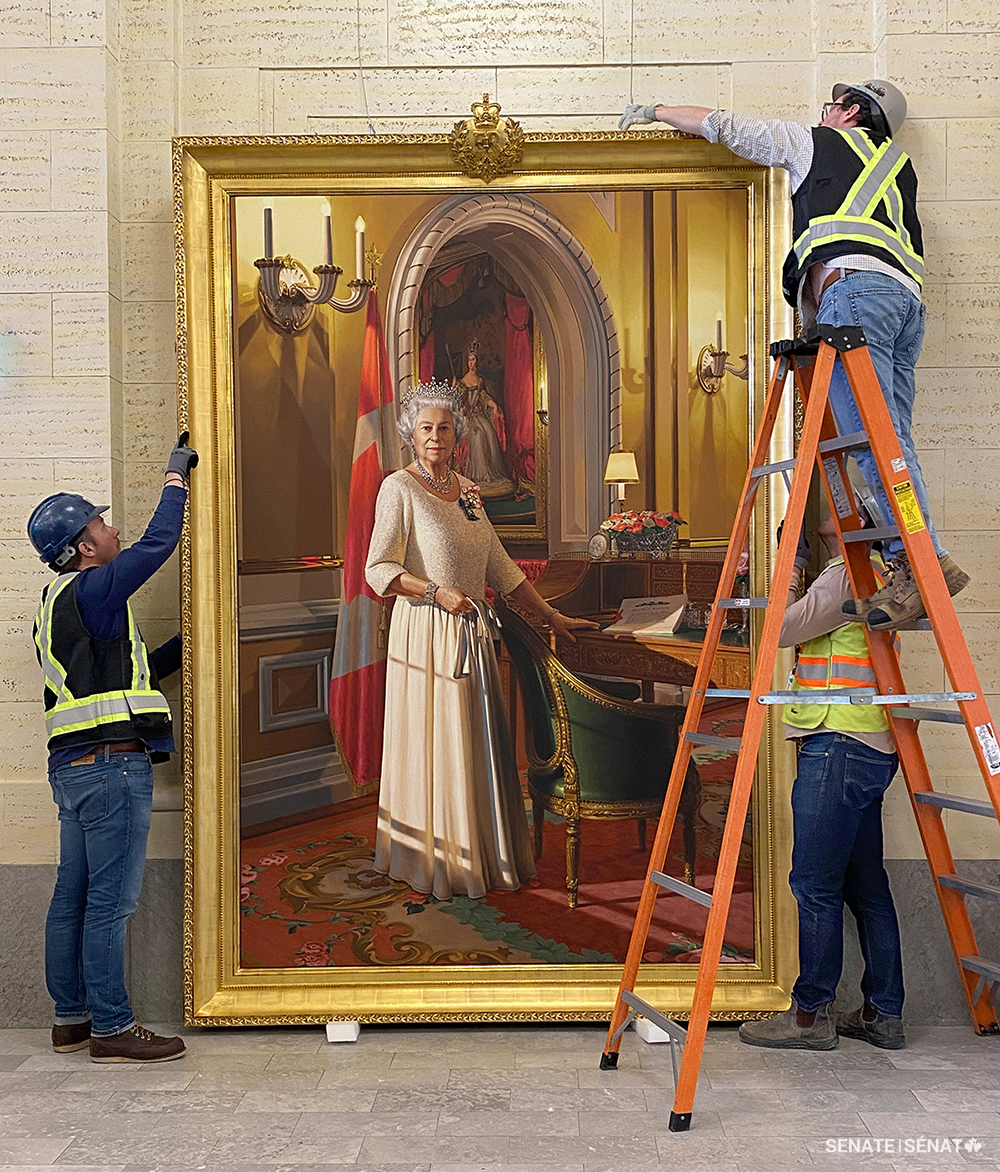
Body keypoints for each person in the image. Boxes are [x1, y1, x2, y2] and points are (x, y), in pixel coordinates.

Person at [619, 80, 968, 631]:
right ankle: (925, 560)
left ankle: (917, 566)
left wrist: (658, 111)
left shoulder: (820, 143)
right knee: (894, 443)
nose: (823, 111)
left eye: (832, 105)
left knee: (873, 442)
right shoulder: (898, 168)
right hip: (905, 307)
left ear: (851, 112)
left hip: (855, 299)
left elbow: (728, 126)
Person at [365, 382, 596, 899]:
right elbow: (378, 568)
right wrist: (434, 591)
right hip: (426, 632)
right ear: (410, 434)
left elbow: (500, 566)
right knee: (439, 740)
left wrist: (553, 616)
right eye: (426, 428)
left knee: (473, 743)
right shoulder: (398, 488)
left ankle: (482, 852)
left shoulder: (469, 491)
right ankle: (435, 858)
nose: (436, 437)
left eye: (444, 428)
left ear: (458, 434)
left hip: (472, 633)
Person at [28, 432, 198, 1063]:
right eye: (99, 521)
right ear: (82, 546)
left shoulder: (55, 603)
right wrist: (175, 478)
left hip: (72, 771)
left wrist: (182, 651)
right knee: (110, 903)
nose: (109, 526)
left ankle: (70, 1018)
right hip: (109, 769)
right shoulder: (96, 589)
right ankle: (113, 1027)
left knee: (71, 896)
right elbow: (159, 543)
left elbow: (115, 678)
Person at [739, 504, 906, 1050]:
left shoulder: (846, 576)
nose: (827, 510)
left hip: (837, 742)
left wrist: (787, 571)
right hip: (870, 743)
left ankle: (808, 1015)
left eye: (841, 505)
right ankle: (884, 1013)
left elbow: (781, 630)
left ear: (856, 523)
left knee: (814, 884)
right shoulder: (879, 572)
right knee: (866, 887)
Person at [451, 341, 516, 498]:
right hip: (466, 415)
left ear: (477, 362)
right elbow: (457, 402)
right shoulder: (462, 381)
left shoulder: (480, 380)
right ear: (467, 362)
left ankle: (491, 473)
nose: (472, 363)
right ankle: (477, 476)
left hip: (478, 413)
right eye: (470, 360)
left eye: (474, 360)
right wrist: (453, 389)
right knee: (477, 434)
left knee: (489, 431)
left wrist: (494, 406)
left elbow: (483, 396)